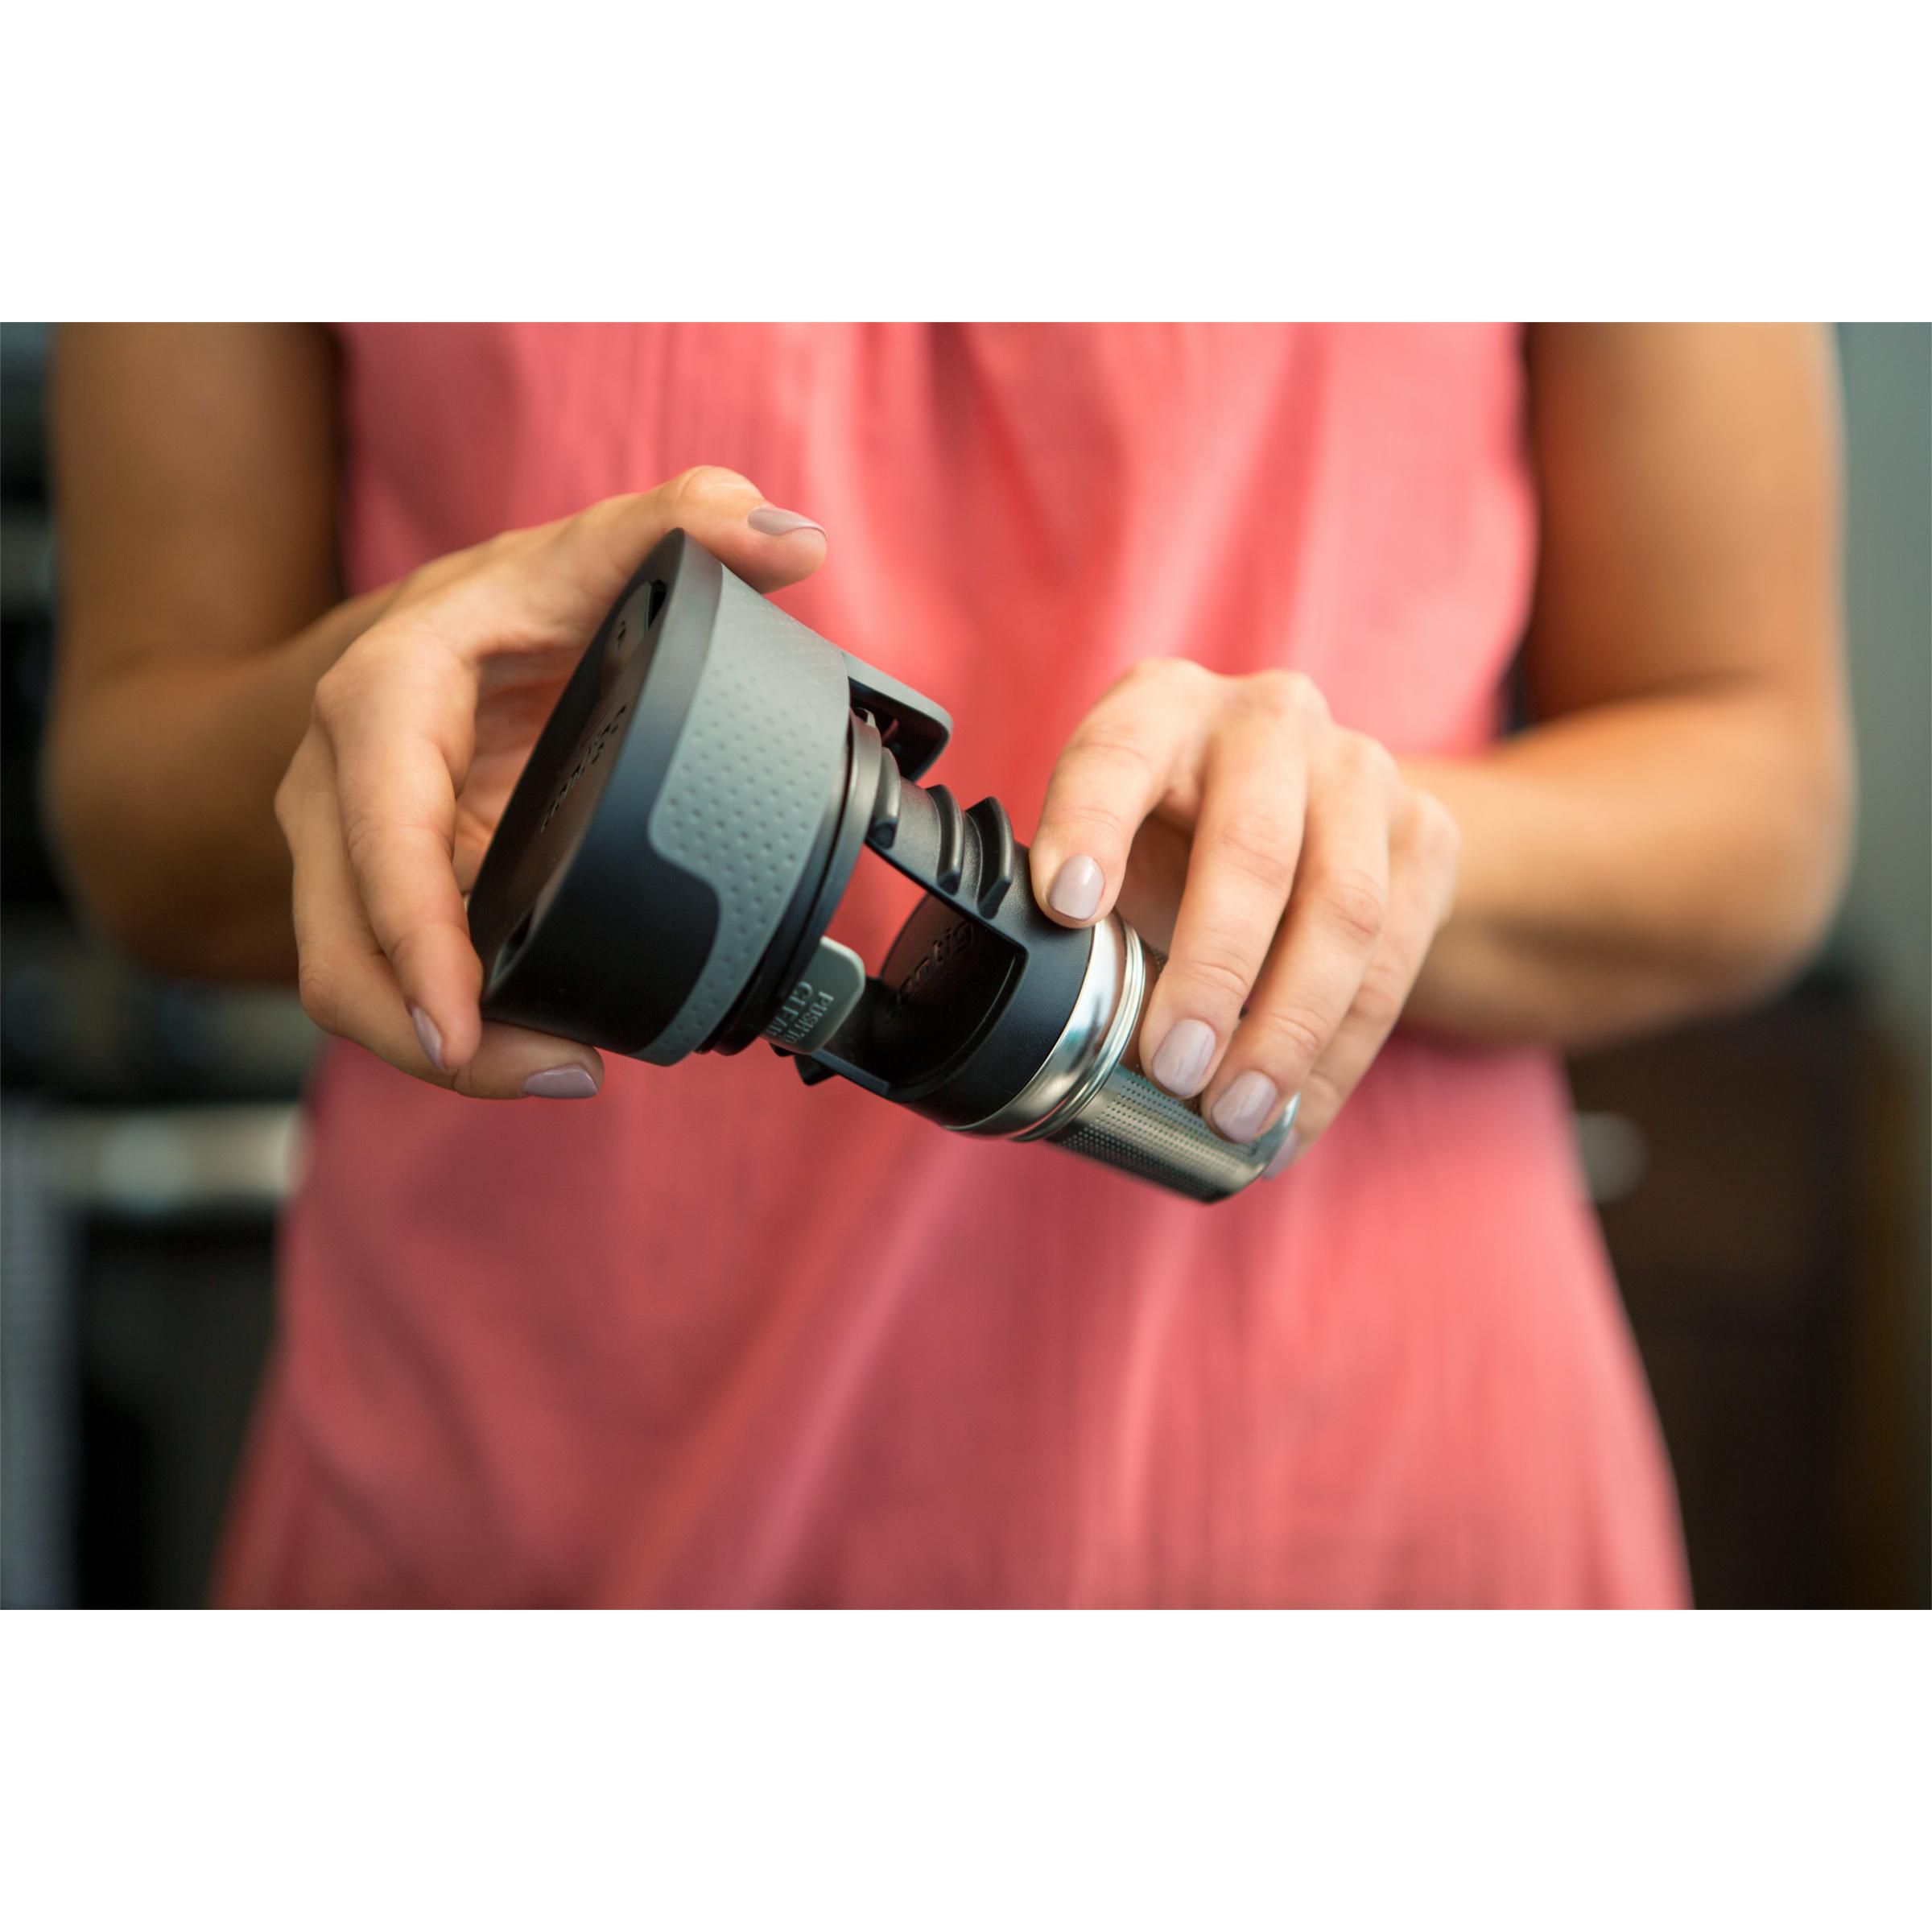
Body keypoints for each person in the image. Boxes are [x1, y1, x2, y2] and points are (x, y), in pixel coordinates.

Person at [46, 324, 1851, 1607]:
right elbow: (133, 811)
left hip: (1331, 1511)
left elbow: (1762, 789)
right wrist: (404, 716)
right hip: (531, 1520)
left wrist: (1352, 860)